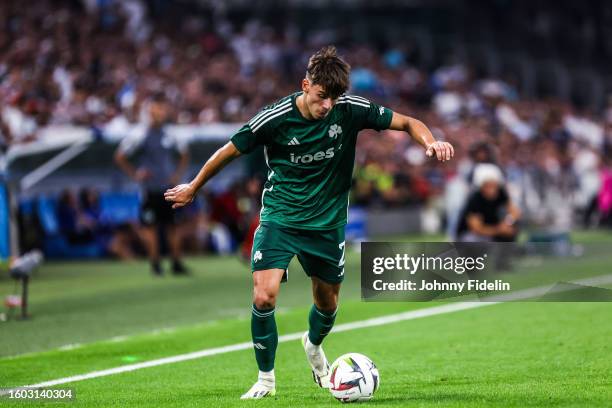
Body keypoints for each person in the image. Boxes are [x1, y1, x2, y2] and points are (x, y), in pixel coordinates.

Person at [164, 46, 454, 399]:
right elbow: (229, 150)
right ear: (305, 85)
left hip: (327, 224)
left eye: (333, 98)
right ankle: (266, 380)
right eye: (321, 97)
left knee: (328, 303)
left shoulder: (349, 110)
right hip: (280, 218)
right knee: (264, 295)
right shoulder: (274, 118)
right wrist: (194, 186)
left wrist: (431, 141)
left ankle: (313, 344)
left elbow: (408, 122)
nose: (327, 105)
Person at [114, 93, 190, 276]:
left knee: (173, 226)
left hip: (169, 189)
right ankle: (155, 264)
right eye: (156, 109)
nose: (160, 113)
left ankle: (176, 263)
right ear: (149, 111)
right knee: (150, 228)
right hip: (149, 189)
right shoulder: (140, 134)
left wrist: (177, 175)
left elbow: (184, 154)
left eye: (162, 109)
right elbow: (120, 156)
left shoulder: (170, 133)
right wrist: (135, 174)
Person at [456, 163, 521, 242]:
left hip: (494, 232)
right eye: (488, 186)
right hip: (473, 235)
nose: (491, 190)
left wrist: (507, 222)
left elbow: (515, 212)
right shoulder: (475, 200)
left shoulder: (501, 193)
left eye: (494, 185)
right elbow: (476, 228)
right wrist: (499, 229)